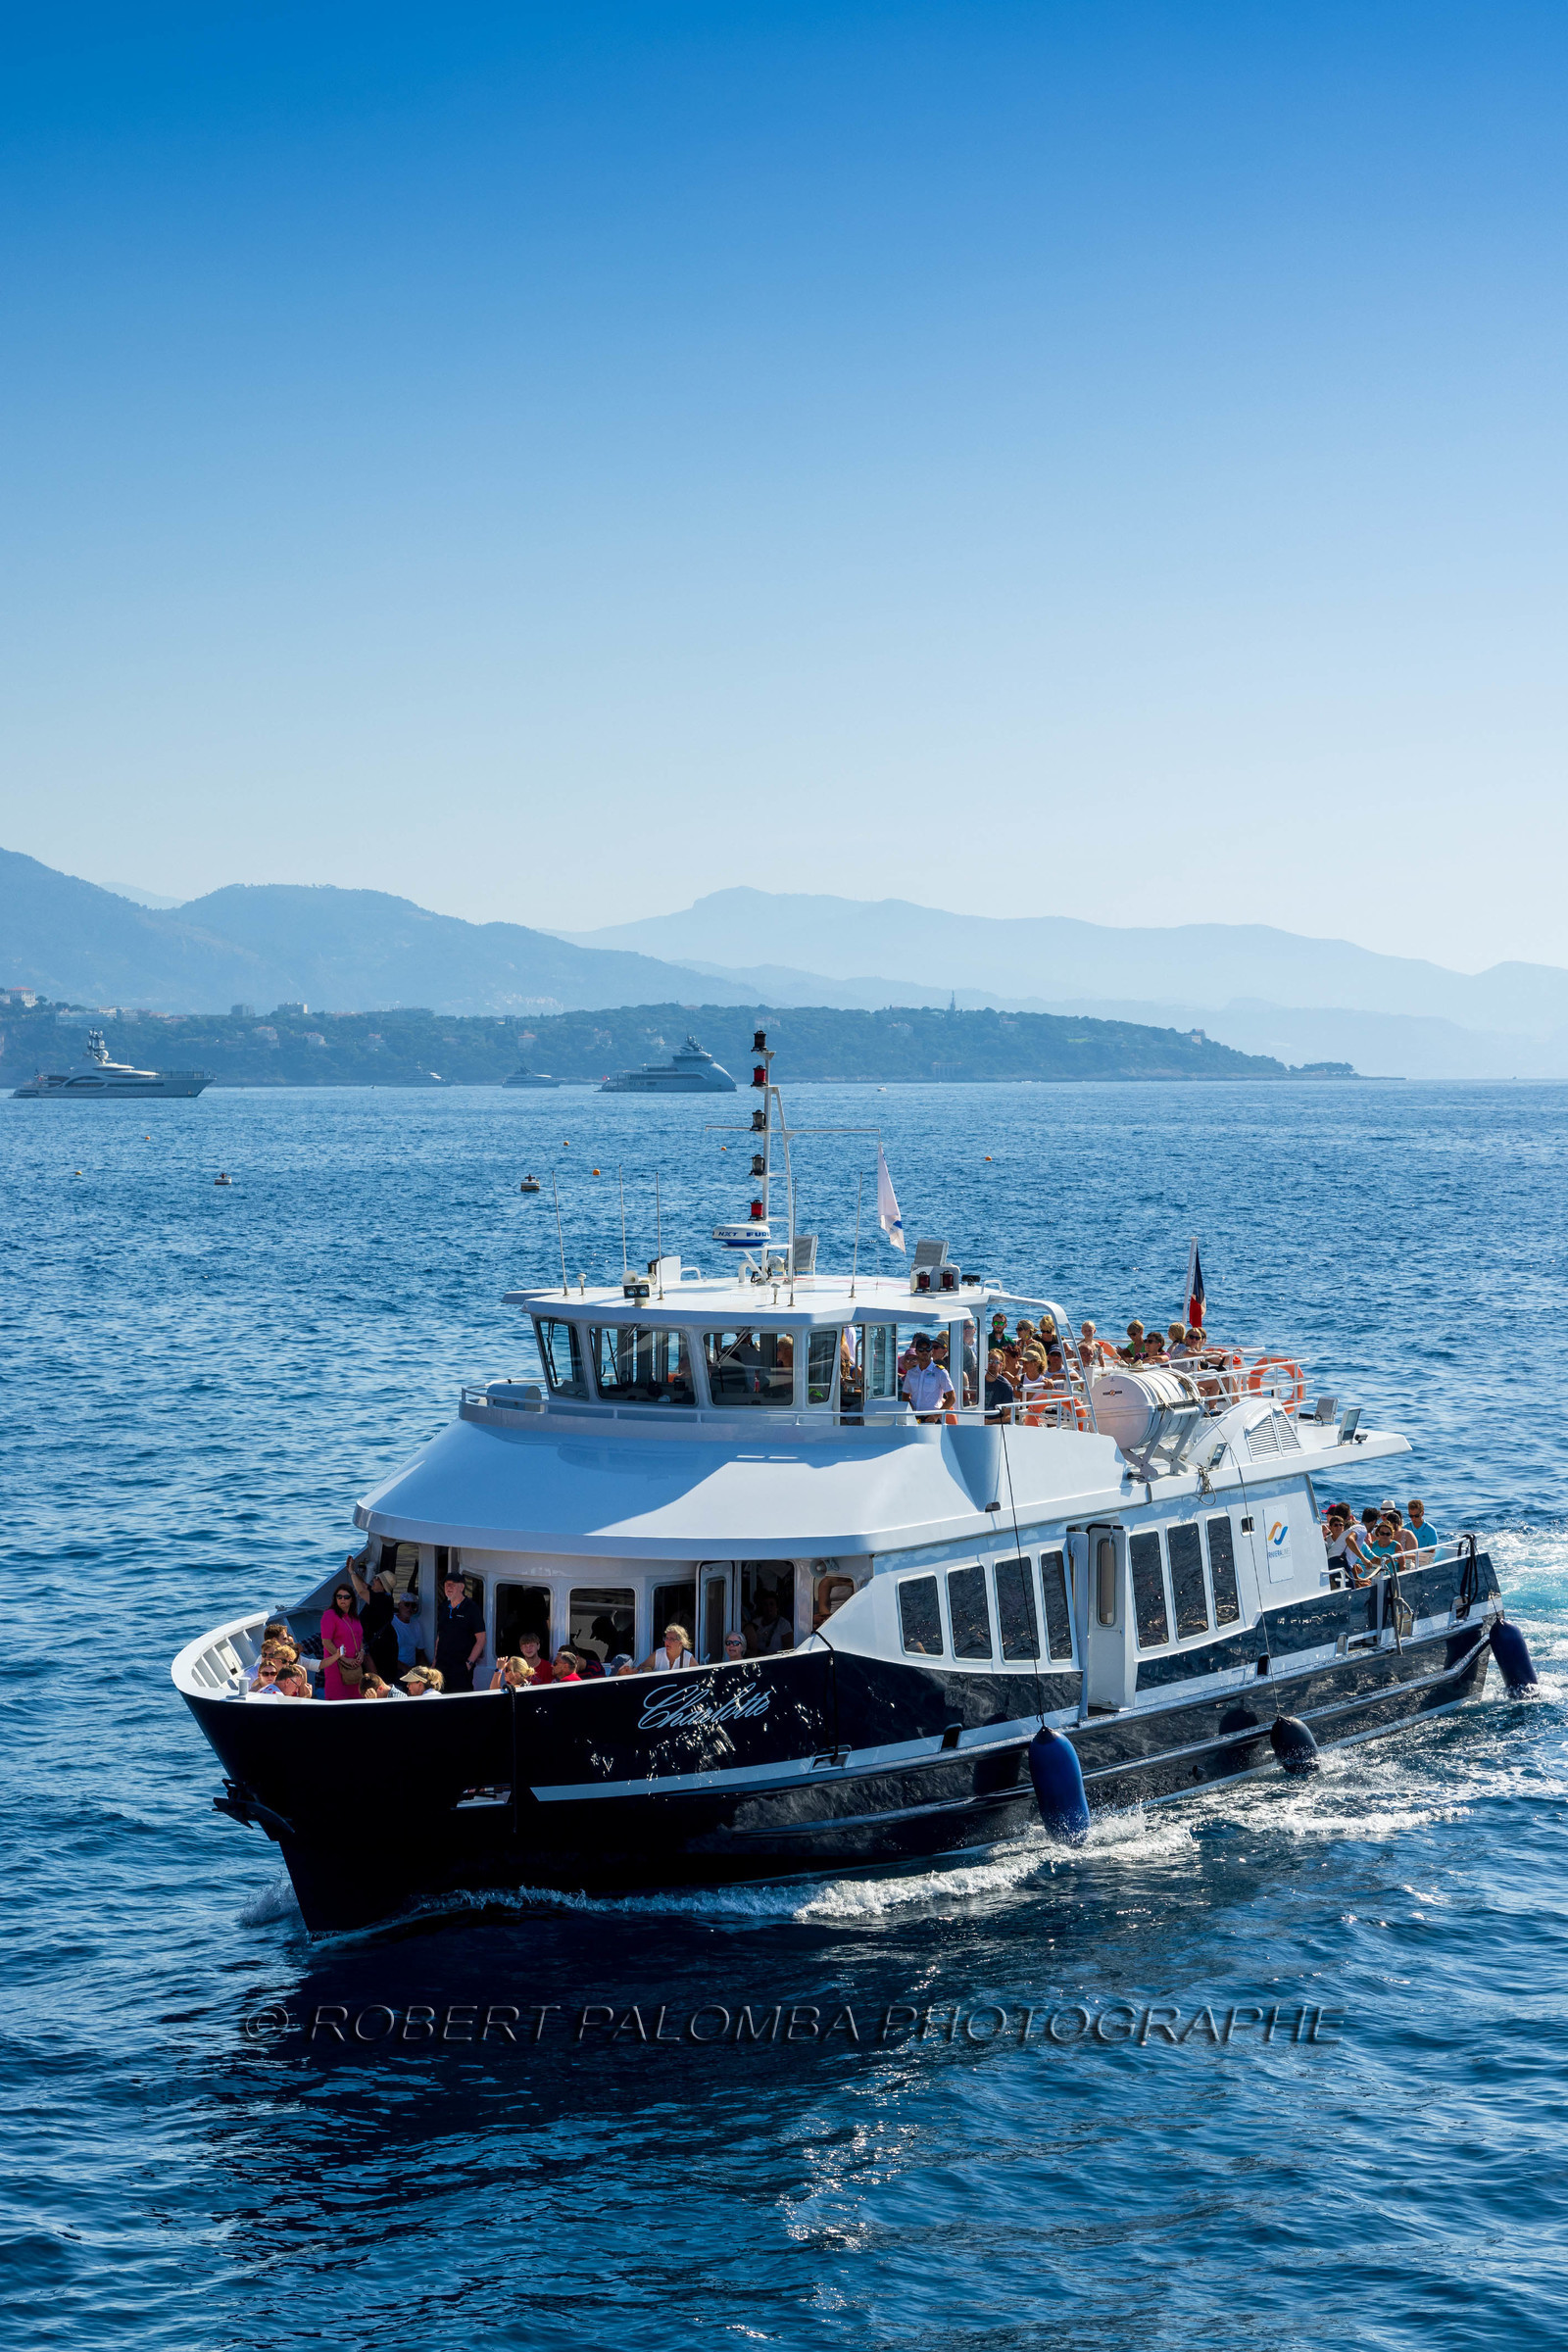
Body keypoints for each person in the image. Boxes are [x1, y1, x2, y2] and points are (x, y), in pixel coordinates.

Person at [347, 1556, 400, 1683]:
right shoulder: (380, 1596)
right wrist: (352, 1571)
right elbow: (364, 1586)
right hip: (378, 1643)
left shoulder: (382, 1599)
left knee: (377, 1677)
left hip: (379, 1647)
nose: (374, 1579)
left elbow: (361, 1591)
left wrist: (352, 1572)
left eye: (377, 1579)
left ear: (383, 1585)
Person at [434, 1572, 485, 1693]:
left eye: (452, 1584)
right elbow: (440, 1636)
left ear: (461, 1587)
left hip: (460, 1666)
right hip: (441, 1665)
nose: (448, 1587)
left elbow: (481, 1639)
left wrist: (469, 1663)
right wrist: (434, 1662)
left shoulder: (472, 1608)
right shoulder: (444, 1607)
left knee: (460, 1699)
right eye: (446, 1584)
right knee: (440, 1697)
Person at [320, 1582, 365, 1702]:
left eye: (346, 1597)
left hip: (354, 1664)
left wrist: (361, 1652)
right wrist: (344, 1659)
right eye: (339, 1597)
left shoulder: (354, 1616)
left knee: (357, 1697)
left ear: (352, 1599)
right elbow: (326, 1642)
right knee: (337, 1697)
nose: (342, 1599)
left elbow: (359, 1638)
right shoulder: (329, 1615)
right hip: (336, 1665)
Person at [902, 1332, 956, 1421]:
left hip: (932, 1418)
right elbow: (905, 1395)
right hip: (914, 1417)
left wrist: (936, 1416)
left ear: (932, 1351)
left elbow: (952, 1398)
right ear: (916, 1352)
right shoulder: (911, 1373)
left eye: (927, 1349)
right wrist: (910, 1411)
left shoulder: (940, 1372)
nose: (924, 1352)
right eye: (921, 1349)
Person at [391, 1593, 424, 1676]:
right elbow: (386, 1654)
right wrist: (404, 1668)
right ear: (399, 1605)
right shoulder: (391, 1623)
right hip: (395, 1669)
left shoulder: (416, 1625)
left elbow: (420, 1651)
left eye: (413, 1605)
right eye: (406, 1604)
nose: (409, 1608)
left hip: (412, 1669)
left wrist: (427, 1669)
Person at [983, 1348, 1015, 1422]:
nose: (992, 1364)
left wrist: (991, 1422)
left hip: (995, 1425)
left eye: (996, 1362)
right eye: (990, 1361)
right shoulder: (978, 1381)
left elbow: (1008, 1416)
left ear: (1001, 1365)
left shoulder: (1005, 1386)